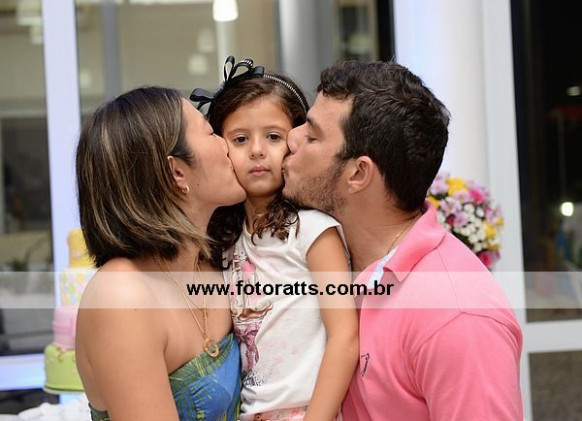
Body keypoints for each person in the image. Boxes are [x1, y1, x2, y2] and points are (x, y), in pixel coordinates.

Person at [282, 61, 523, 420]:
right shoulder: (325, 259)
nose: (291, 137)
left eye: (312, 136)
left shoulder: (456, 315)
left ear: (358, 173)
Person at [192, 57, 359, 421]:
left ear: (296, 141)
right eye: (240, 139)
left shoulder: (313, 231)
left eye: (273, 137)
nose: (256, 150)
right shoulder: (225, 243)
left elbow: (345, 338)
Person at [75, 86, 246, 421]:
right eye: (210, 132)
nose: (226, 144)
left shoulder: (214, 262)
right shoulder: (121, 296)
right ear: (176, 172)